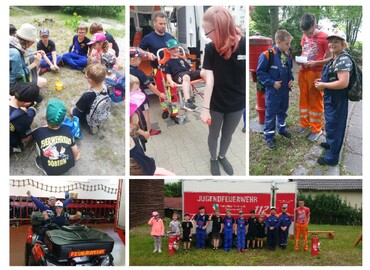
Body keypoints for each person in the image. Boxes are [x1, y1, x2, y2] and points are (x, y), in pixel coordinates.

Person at [200, 6, 246, 175]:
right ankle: (213, 159)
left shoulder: (244, 45)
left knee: (228, 135)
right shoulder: (211, 48)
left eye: (207, 32)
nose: (207, 36)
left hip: (237, 104)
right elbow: (209, 80)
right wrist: (205, 109)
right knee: (214, 134)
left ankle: (222, 156)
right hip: (216, 103)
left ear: (218, 29)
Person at [314, 30, 353, 166]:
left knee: (335, 126)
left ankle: (332, 158)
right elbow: (333, 77)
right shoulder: (335, 57)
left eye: (336, 41)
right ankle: (331, 145)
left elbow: (343, 83)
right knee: (330, 124)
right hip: (331, 96)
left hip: (337, 99)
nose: (331, 44)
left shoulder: (343, 59)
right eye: (330, 41)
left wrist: (324, 84)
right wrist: (323, 80)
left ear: (343, 44)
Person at [257, 29, 294, 150]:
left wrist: (291, 80)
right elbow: (260, 72)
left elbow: (289, 70)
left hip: (284, 91)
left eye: (289, 43)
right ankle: (269, 136)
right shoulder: (267, 55)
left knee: (283, 110)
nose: (289, 46)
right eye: (287, 43)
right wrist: (272, 83)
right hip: (273, 92)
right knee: (271, 114)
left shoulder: (287, 55)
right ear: (278, 41)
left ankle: (282, 129)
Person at [138, 11, 179, 122]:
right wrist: (147, 53)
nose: (163, 26)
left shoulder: (170, 37)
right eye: (160, 24)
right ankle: (165, 109)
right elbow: (139, 49)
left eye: (165, 23)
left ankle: (174, 113)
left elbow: (176, 49)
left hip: (171, 69)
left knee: (173, 90)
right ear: (154, 23)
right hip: (158, 70)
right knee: (161, 91)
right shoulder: (148, 38)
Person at [297, 13, 331, 142]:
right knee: (303, 98)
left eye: (310, 33)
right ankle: (304, 124)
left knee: (316, 100)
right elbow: (303, 52)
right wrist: (301, 61)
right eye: (305, 33)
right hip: (303, 72)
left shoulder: (325, 37)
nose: (308, 35)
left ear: (315, 26)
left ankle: (316, 129)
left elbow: (331, 58)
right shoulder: (304, 36)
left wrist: (316, 63)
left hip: (317, 73)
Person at [33, 98, 81, 175]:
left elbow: (33, 136)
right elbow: (75, 148)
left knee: (39, 147)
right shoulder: (67, 130)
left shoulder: (39, 131)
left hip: (49, 170)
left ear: (45, 117)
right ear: (63, 120)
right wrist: (75, 158)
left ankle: (41, 163)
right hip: (68, 166)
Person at [130, 47, 166, 134]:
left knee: (135, 113)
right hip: (141, 98)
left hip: (131, 97)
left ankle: (137, 130)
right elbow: (150, 86)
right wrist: (160, 94)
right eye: (139, 59)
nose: (140, 61)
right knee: (145, 114)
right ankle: (148, 130)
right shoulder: (139, 73)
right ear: (132, 60)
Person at [164, 38, 204, 111]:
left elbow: (188, 70)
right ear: (168, 51)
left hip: (187, 73)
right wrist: (171, 82)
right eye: (173, 48)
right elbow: (168, 75)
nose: (176, 50)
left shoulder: (182, 59)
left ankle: (213, 93)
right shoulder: (168, 63)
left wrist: (195, 74)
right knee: (186, 77)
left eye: (177, 48)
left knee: (205, 72)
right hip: (178, 76)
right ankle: (187, 102)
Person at [72, 63, 110, 134]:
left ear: (90, 81)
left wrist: (74, 111)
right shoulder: (106, 87)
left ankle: (90, 125)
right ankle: (97, 124)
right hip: (101, 113)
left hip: (88, 117)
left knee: (73, 111)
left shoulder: (87, 95)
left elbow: (80, 109)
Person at [10, 23, 47, 94]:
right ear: (27, 41)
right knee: (42, 83)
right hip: (13, 84)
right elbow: (19, 74)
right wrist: (34, 64)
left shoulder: (14, 42)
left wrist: (34, 52)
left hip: (16, 77)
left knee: (41, 81)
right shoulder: (15, 53)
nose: (32, 44)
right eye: (32, 42)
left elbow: (24, 53)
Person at [10, 82, 42, 154]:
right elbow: (25, 139)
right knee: (27, 136)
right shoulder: (21, 118)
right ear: (27, 103)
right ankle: (15, 149)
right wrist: (31, 110)